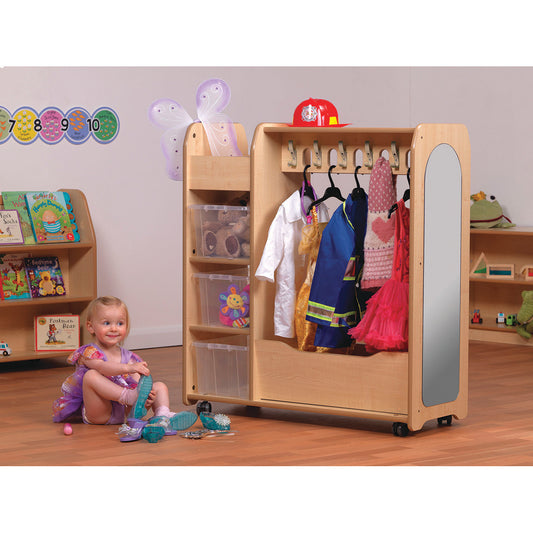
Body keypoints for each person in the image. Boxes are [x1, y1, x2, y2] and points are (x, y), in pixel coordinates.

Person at [52, 296, 197, 441]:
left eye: (120, 323)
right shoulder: (89, 353)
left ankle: (162, 417)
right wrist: (128, 372)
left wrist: (146, 396)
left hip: (126, 414)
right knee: (91, 376)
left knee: (160, 386)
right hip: (101, 413)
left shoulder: (130, 357)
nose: (114, 328)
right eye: (106, 323)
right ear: (91, 327)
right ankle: (128, 397)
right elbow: (103, 367)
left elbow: (139, 384)